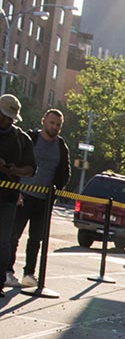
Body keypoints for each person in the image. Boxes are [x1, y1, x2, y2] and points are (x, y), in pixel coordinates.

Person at [10, 109, 71, 288]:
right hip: (23, 195)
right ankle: (7, 271)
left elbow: (64, 173)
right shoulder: (30, 139)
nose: (54, 127)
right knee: (13, 236)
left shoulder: (61, 146)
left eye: (58, 125)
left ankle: (29, 274)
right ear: (43, 120)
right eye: (52, 123)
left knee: (36, 239)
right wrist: (16, 191)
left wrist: (56, 192)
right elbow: (16, 162)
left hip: (44, 200)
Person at [0, 94, 36, 299]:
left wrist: (15, 170)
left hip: (8, 198)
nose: (8, 121)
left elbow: (31, 169)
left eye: (11, 117)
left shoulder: (21, 139)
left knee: (3, 241)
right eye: (5, 116)